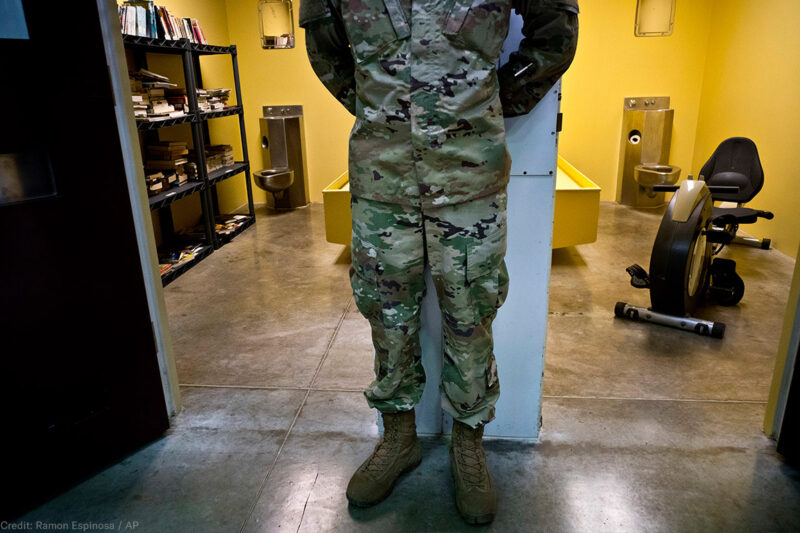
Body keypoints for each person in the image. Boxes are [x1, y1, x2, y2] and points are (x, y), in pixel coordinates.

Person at [299, 0, 578, 524]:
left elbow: (555, 30)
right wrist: (381, 111)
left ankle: (467, 443)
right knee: (386, 314)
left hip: (469, 175)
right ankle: (398, 438)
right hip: (382, 177)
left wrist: (490, 100)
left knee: (471, 315)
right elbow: (324, 45)